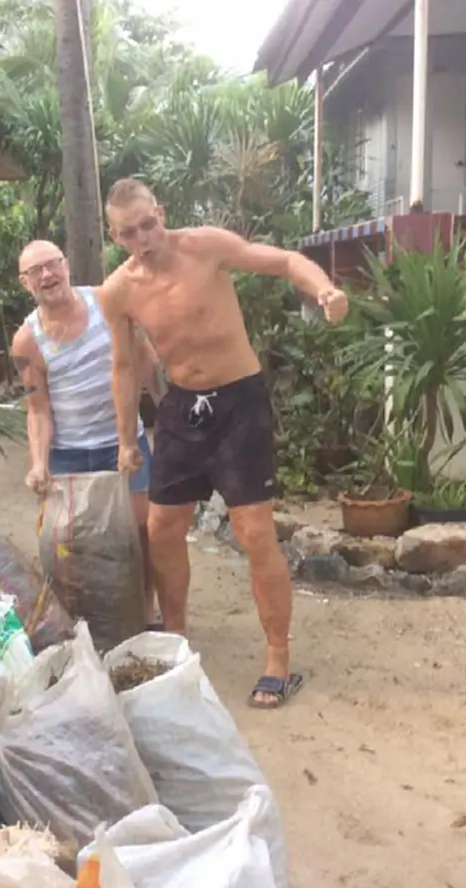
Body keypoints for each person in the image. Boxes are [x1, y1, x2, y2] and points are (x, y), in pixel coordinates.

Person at [97, 178, 349, 709]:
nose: (144, 237)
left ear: (159, 212)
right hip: (183, 407)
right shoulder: (118, 291)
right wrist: (126, 438)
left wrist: (323, 289)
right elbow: (124, 365)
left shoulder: (204, 245)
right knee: (162, 527)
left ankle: (277, 654)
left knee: (254, 532)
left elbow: (281, 260)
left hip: (239, 402)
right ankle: (179, 642)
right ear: (115, 235)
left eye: (148, 223)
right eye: (129, 232)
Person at [10, 239, 167, 628]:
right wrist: (38, 462)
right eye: (36, 271)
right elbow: (38, 407)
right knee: (68, 543)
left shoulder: (106, 303)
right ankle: (81, 619)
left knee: (143, 531)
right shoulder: (27, 341)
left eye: (53, 264)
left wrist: (171, 418)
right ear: (24, 282)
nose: (47, 275)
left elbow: (146, 359)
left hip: (122, 441)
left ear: (67, 265)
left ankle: (144, 614)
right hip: (69, 452)